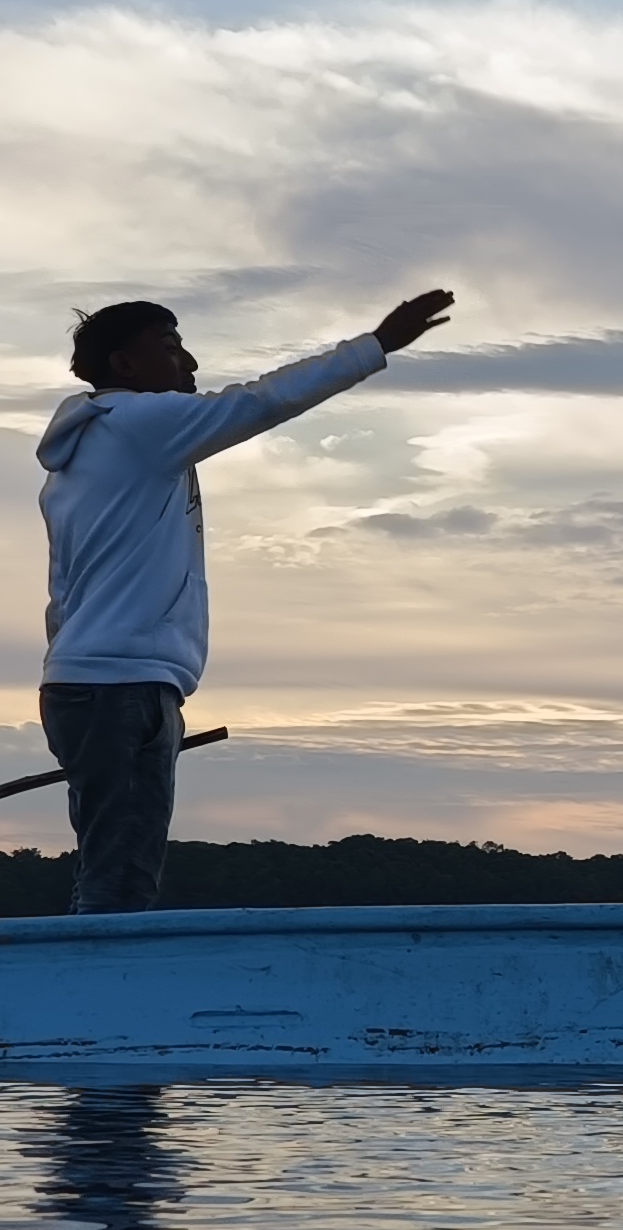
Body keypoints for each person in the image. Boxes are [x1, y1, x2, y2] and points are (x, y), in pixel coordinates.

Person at [37, 289, 453, 912]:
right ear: (125, 365)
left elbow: (64, 591)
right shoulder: (138, 425)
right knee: (120, 880)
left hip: (104, 682)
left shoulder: (88, 454)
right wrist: (375, 347)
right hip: (116, 685)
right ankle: (94, 994)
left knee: (119, 870)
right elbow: (259, 401)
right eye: (172, 347)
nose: (191, 364)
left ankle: (96, 989)